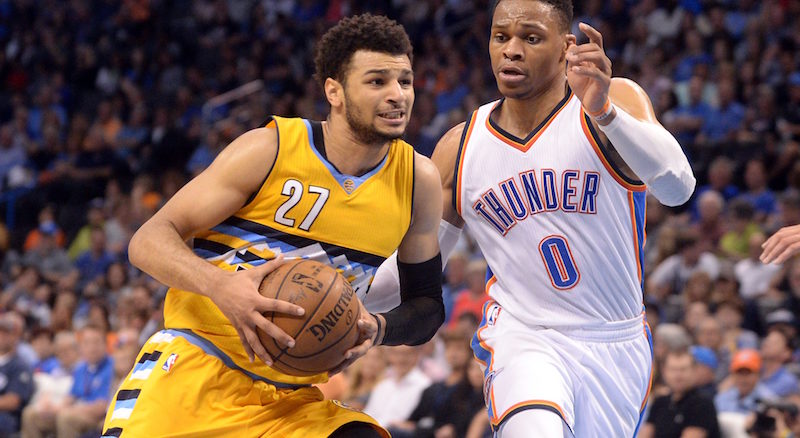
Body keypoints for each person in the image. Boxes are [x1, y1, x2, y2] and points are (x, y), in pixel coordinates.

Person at [102, 13, 444, 438]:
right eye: (377, 81)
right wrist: (221, 287)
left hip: (291, 403)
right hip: (196, 371)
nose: (398, 95)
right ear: (334, 91)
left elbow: (428, 306)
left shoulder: (418, 181)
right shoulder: (269, 149)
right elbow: (148, 240)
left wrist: (379, 329)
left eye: (405, 81)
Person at [368, 0, 695, 436]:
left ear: (566, 47)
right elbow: (412, 272)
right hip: (523, 334)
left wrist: (606, 113)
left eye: (531, 38)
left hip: (614, 341)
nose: (512, 50)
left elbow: (677, 188)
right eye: (500, 37)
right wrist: (337, 297)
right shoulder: (460, 147)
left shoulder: (610, 102)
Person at [641, 349, 721, 438]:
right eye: (673, 369)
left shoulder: (703, 404)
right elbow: (645, 434)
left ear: (694, 371)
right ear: (664, 371)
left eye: (683, 369)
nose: (678, 375)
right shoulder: (660, 402)